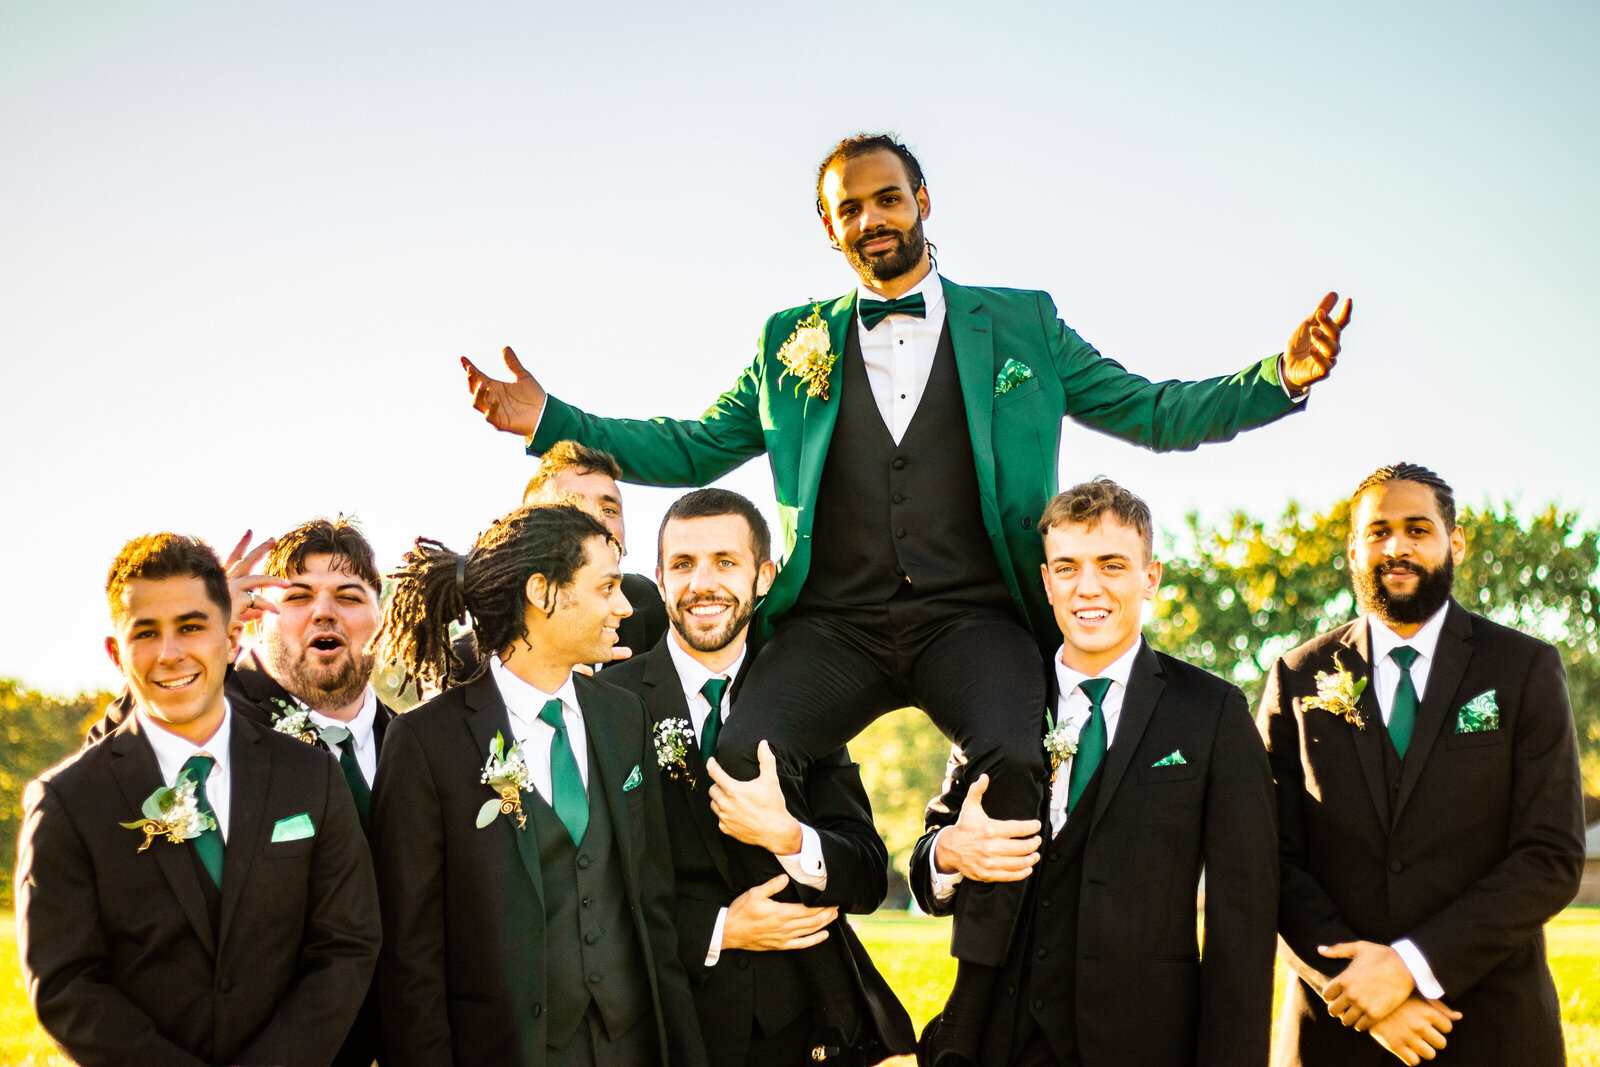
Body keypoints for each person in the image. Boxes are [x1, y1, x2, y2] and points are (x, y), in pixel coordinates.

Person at [462, 131, 1352, 969]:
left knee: (1016, 754)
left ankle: (987, 984)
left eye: (887, 198)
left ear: (922, 200)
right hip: (833, 625)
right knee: (737, 761)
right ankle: (777, 970)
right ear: (829, 226)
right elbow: (694, 445)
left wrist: (1280, 376)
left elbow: (1152, 409)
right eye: (850, 208)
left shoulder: (1020, 324)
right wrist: (550, 421)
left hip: (972, 616)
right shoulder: (790, 342)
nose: (871, 218)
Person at [909, 479, 1278, 1065]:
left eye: (1111, 565)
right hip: (995, 1041)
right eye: (1068, 567)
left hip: (1147, 1043)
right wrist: (949, 853)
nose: (1089, 587)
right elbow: (928, 875)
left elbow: (1246, 920)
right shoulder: (995, 703)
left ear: (1149, 578)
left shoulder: (1213, 713)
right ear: (1047, 582)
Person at [1258, 463, 1584, 1067]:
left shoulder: (1524, 669)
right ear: (1354, 547)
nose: (1397, 546)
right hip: (1336, 1030)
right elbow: (1267, 860)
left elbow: (1551, 855)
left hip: (1491, 1027)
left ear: (1453, 541)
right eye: (1378, 531)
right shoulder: (1295, 675)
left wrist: (1412, 965)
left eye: (1417, 529)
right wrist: (1362, 992)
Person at [16, 533, 380, 1066]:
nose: (171, 653)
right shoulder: (66, 801)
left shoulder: (310, 776)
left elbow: (346, 944)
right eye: (147, 632)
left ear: (231, 640)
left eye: (192, 627)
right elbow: (66, 984)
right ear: (117, 652)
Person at [369, 504, 705, 1066]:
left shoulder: (626, 717)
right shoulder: (426, 742)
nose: (624, 606)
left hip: (632, 1045)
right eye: (606, 588)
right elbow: (410, 956)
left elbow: (653, 904)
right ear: (542, 592)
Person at [604, 488, 914, 1064]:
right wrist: (720, 929)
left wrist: (790, 838)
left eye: (725, 562)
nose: (702, 584)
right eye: (683, 564)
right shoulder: (608, 704)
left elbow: (868, 875)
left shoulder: (809, 698)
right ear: (659, 577)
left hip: (798, 1033)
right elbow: (594, 889)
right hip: (665, 1029)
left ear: (764, 575)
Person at [521, 440, 669, 658]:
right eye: (572, 506)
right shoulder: (473, 662)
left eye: (609, 510)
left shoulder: (655, 608)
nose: (596, 521)